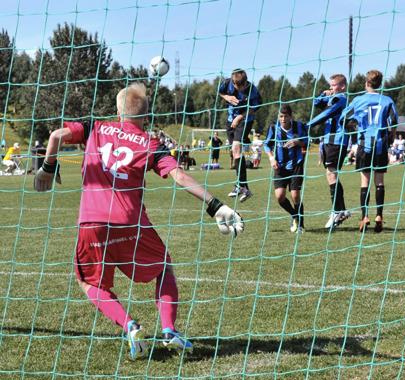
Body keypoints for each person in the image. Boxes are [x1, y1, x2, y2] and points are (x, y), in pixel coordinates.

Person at [32, 83, 243, 360]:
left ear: (118, 111)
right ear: (146, 116)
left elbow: (57, 135)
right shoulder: (149, 142)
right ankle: (169, 330)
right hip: (130, 223)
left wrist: (48, 169)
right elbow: (178, 175)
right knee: (163, 266)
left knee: (91, 284)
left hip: (91, 222)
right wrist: (215, 204)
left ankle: (130, 327)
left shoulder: (94, 127)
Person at [341, 69, 398, 233]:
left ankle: (365, 216)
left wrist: (355, 126)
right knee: (379, 182)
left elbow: (343, 119)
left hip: (364, 144)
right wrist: (391, 138)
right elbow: (393, 121)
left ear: (366, 83)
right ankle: (379, 215)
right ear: (380, 84)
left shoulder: (358, 100)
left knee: (364, 182)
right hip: (380, 144)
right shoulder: (387, 100)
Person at [307, 73, 351, 230]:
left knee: (331, 173)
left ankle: (337, 211)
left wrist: (308, 125)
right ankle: (341, 210)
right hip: (329, 140)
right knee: (331, 174)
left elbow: (326, 113)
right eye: (330, 85)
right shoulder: (332, 97)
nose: (331, 88)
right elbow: (316, 103)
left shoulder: (341, 99)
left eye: (334, 85)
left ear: (342, 86)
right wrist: (321, 94)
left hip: (336, 140)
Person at [218, 68, 262, 202]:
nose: (237, 89)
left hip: (245, 120)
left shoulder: (252, 91)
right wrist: (226, 97)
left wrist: (240, 117)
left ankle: (240, 186)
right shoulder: (227, 83)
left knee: (236, 148)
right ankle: (243, 187)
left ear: (245, 83)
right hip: (230, 120)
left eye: (240, 87)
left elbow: (255, 108)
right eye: (235, 86)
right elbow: (220, 92)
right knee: (235, 153)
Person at [263, 105, 307, 233]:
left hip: (296, 165)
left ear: (291, 116)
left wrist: (298, 142)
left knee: (295, 195)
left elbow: (307, 141)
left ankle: (301, 225)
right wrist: (271, 158)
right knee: (280, 197)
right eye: (281, 116)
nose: (283, 119)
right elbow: (266, 144)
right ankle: (294, 215)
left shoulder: (299, 126)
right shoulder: (273, 128)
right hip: (280, 167)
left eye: (285, 116)